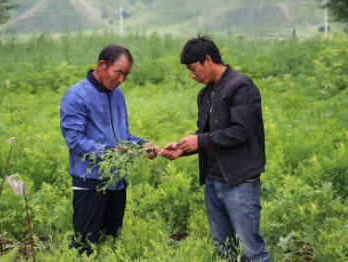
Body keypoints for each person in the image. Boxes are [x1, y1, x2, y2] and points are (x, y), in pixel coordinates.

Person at [159, 36, 271, 262]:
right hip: (213, 181)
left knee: (251, 249)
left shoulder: (241, 86)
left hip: (239, 181)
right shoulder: (205, 94)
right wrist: (184, 148)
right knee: (223, 247)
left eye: (193, 69)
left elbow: (242, 131)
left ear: (208, 60)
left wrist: (199, 141)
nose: (192, 75)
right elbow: (210, 134)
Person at [60, 44, 159, 256]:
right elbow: (74, 139)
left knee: (111, 245)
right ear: (102, 65)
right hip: (90, 184)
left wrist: (141, 145)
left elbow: (122, 137)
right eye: (119, 73)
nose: (121, 79)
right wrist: (109, 151)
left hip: (117, 183)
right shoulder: (77, 95)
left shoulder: (117, 94)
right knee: (86, 247)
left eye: (126, 75)